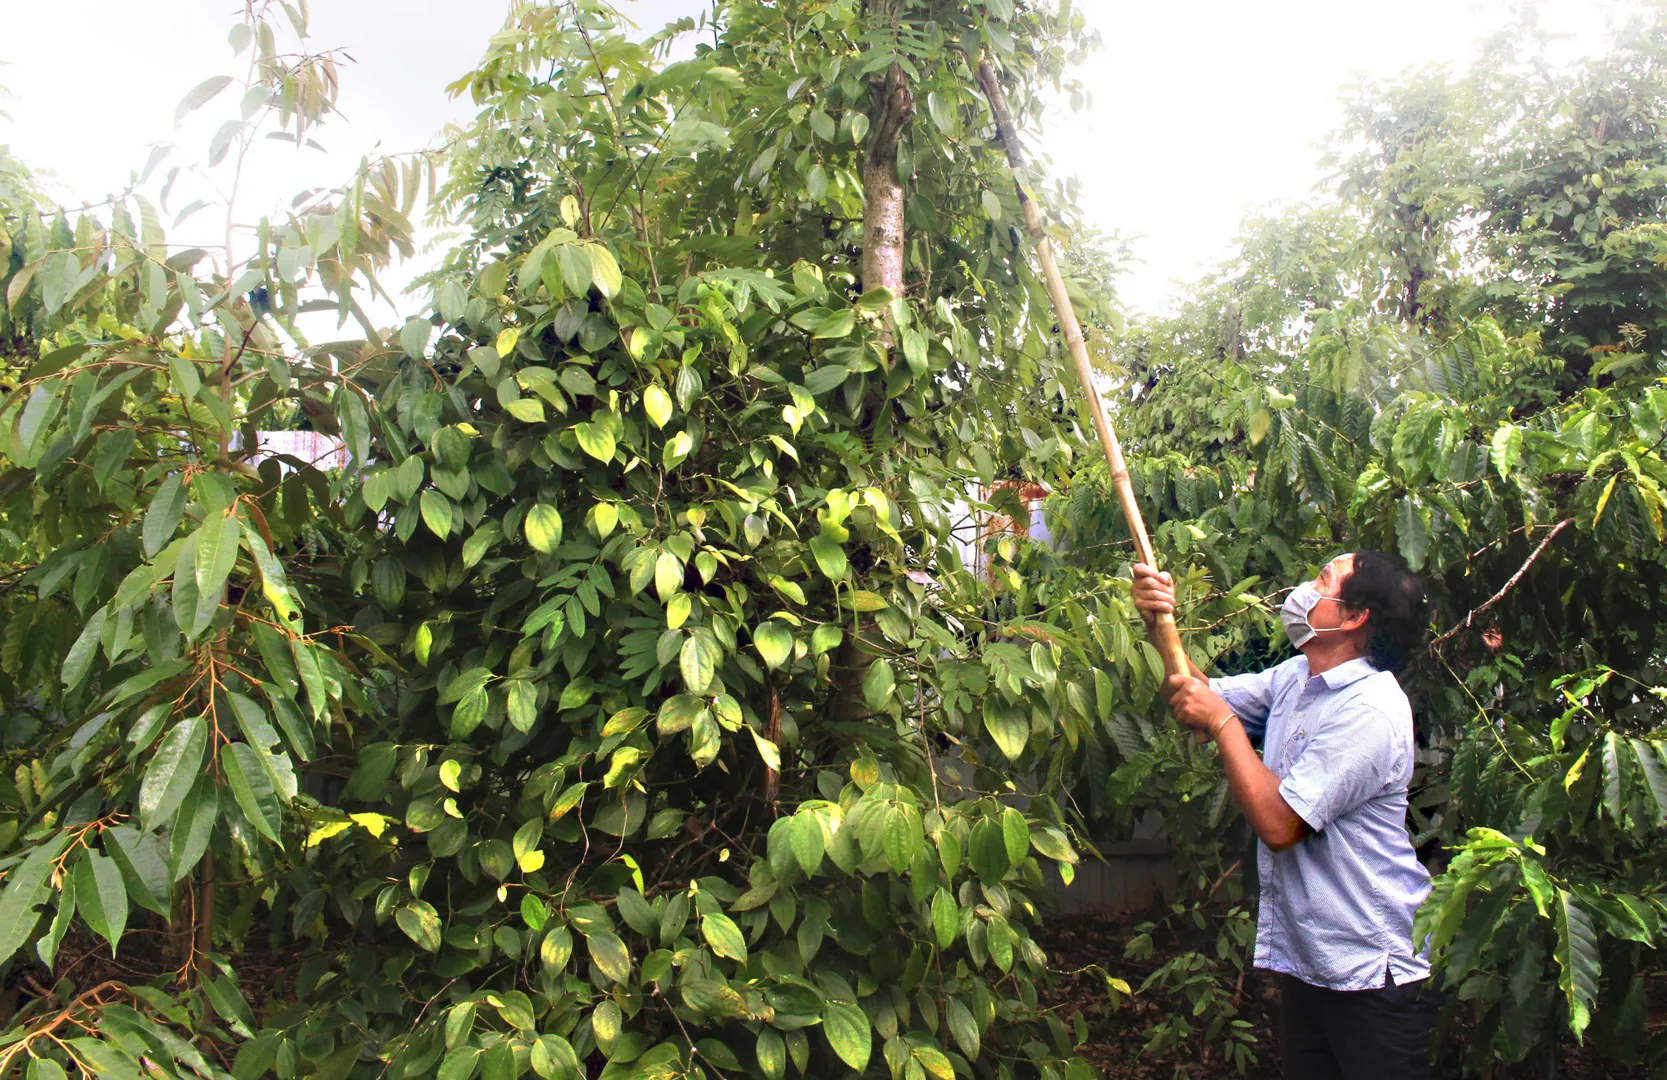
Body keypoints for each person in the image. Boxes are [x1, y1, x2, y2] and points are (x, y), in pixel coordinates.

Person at [1131, 551, 1437, 1080]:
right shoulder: (1299, 677)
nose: (1305, 588)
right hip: (1314, 963)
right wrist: (1160, 626)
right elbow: (1195, 703)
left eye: (1322, 580)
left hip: (1374, 974)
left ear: (1353, 616)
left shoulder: (1370, 710)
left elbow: (1280, 824)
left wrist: (1224, 722)